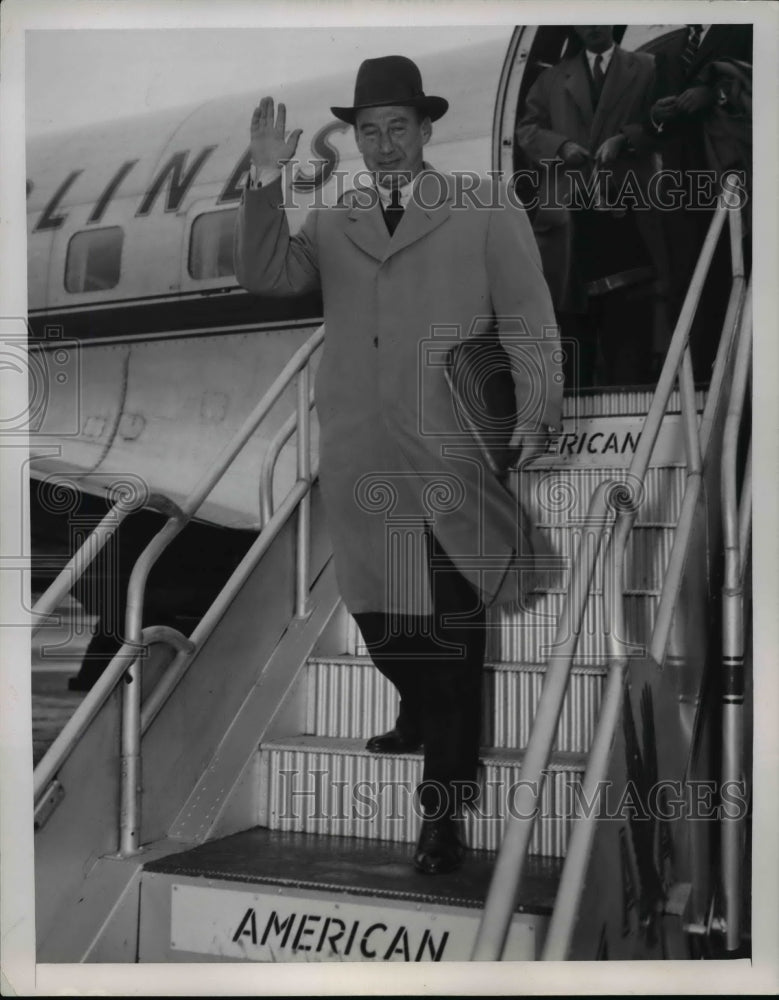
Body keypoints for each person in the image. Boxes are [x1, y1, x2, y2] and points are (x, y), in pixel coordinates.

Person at [234, 55, 562, 874]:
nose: (382, 145)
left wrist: (537, 405)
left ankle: (441, 815)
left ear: (425, 129)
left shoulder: (482, 207)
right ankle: (417, 707)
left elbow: (526, 311)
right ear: (355, 137)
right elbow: (266, 276)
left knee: (452, 638)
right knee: (380, 621)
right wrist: (265, 181)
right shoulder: (334, 219)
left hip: (448, 444)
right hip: (360, 449)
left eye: (397, 129)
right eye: (367, 131)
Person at [516, 25, 665, 387]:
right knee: (572, 329)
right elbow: (528, 129)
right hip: (571, 223)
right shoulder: (552, 80)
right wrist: (561, 146)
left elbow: (663, 123)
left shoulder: (648, 68)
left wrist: (624, 140)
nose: (593, 26)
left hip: (628, 217)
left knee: (630, 329)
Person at [643, 24, 752, 380]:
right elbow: (651, 120)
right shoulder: (671, 47)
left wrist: (714, 95)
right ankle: (696, 379)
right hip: (683, 186)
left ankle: (738, 376)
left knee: (734, 272)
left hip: (734, 176)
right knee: (688, 281)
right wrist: (656, 116)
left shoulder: (744, 29)